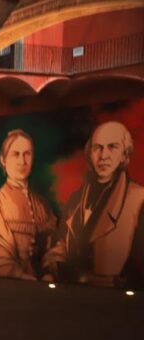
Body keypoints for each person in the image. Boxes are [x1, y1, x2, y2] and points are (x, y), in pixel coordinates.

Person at [43, 120, 144, 287]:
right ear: (89, 153)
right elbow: (61, 244)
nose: (103, 156)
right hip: (70, 294)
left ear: (124, 154)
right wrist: (51, 270)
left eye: (112, 147)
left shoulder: (139, 199)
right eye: (98, 147)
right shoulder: (76, 199)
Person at [0, 129, 57, 280]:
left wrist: (49, 273)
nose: (22, 161)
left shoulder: (43, 205)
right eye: (15, 154)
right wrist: (20, 277)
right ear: (3, 159)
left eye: (27, 154)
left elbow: (54, 247)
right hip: (8, 287)